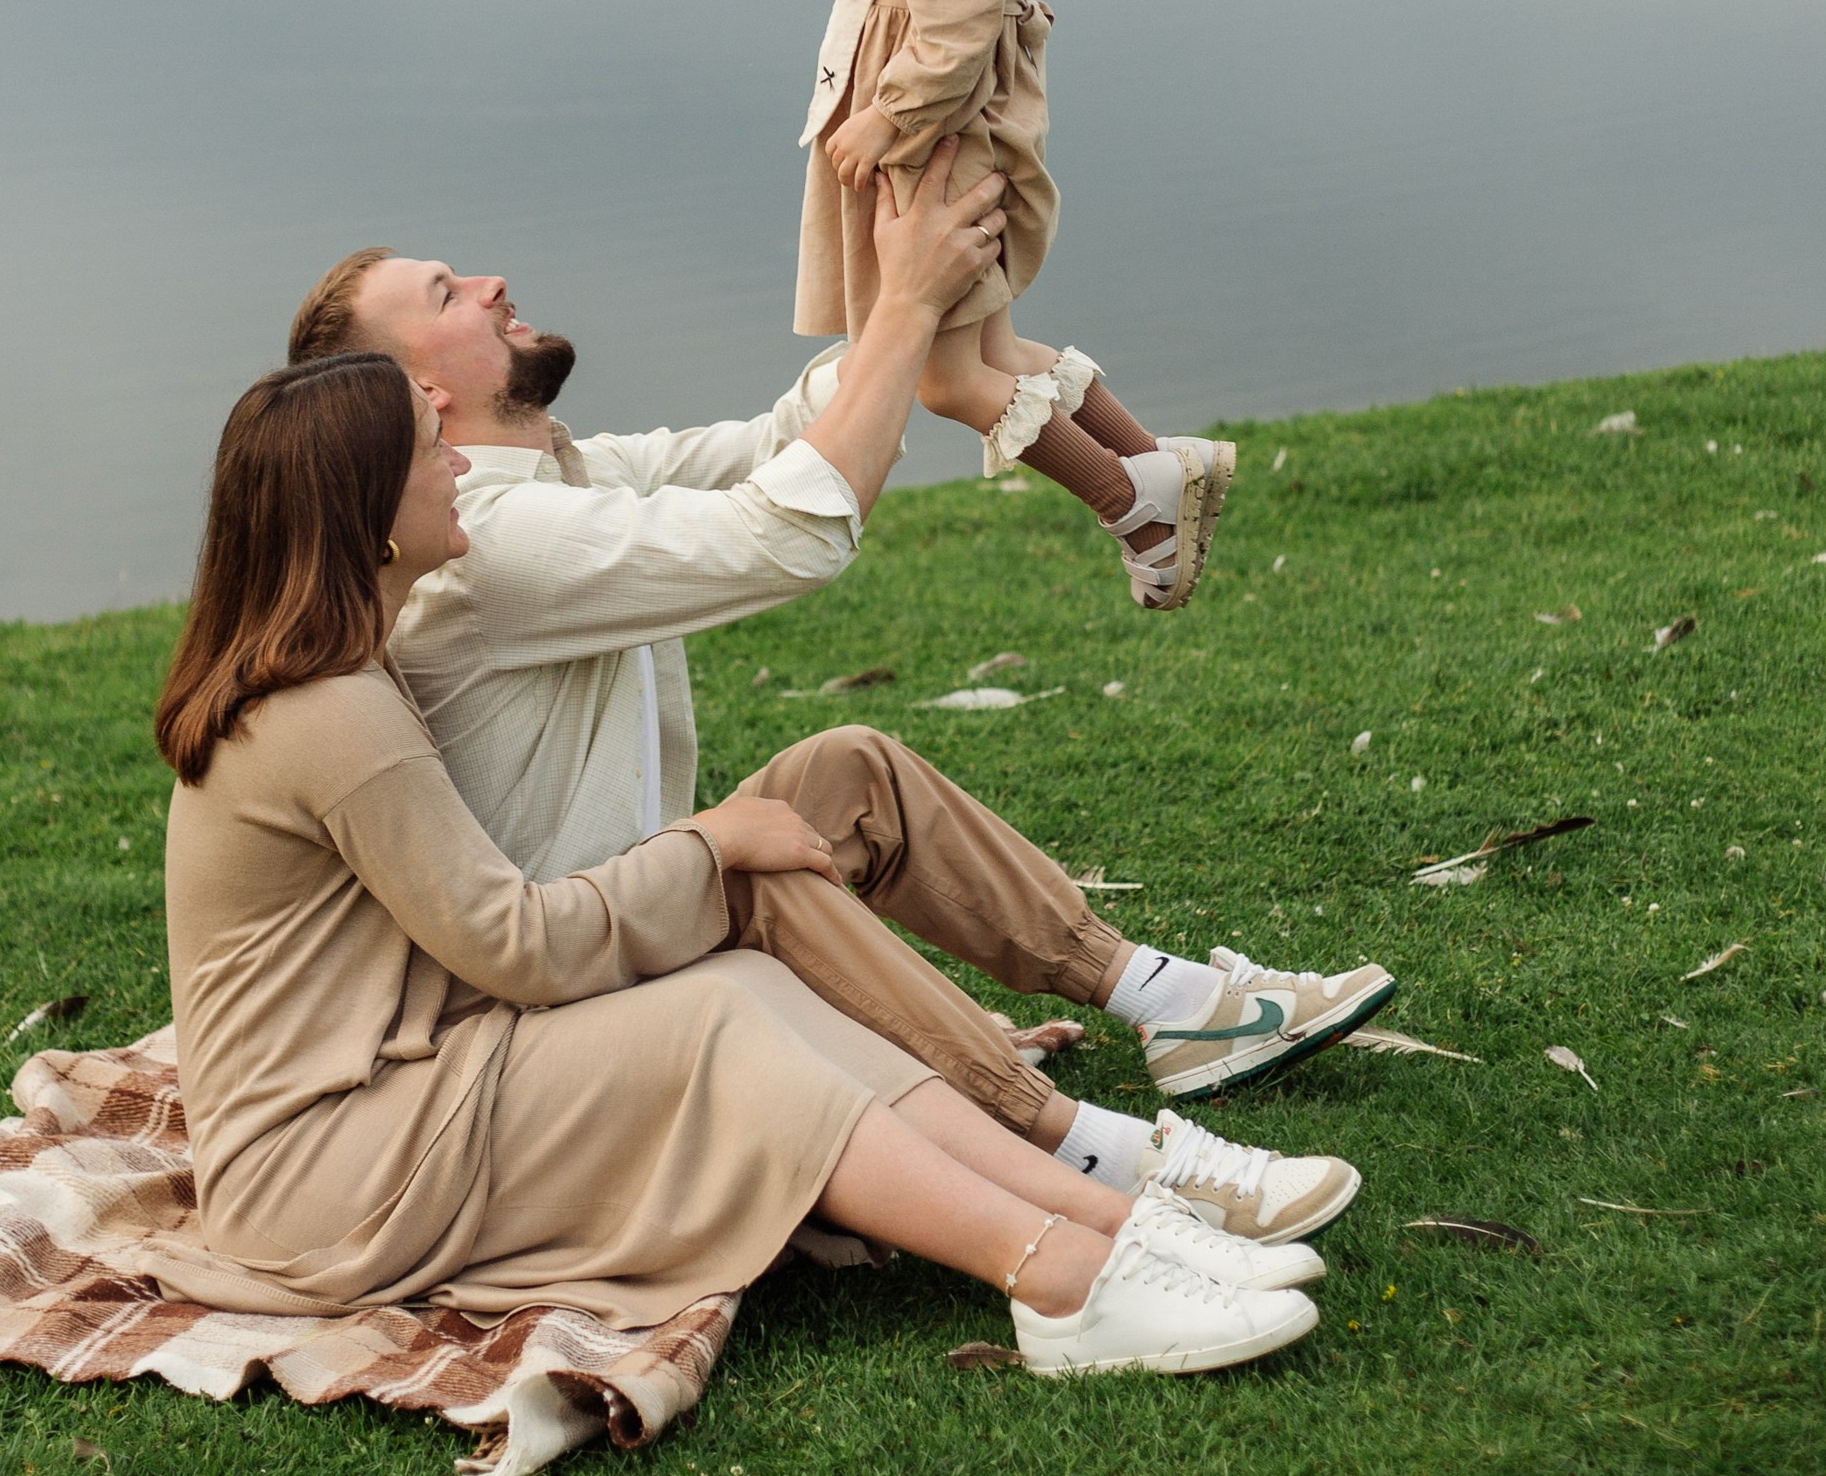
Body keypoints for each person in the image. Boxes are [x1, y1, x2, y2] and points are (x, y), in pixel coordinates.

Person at [151, 350, 1329, 1378]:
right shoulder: (327, 709)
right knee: (713, 1024)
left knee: (749, 987)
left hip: (400, 1086)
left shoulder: (344, 673)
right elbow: (514, 941)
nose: (459, 463)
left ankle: (1104, 1211)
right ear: (365, 508)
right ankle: (1061, 1275)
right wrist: (709, 842)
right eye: (427, 450)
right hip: (322, 1168)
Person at [284, 156, 1395, 1223]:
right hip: (559, 982)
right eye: (449, 292)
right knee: (758, 871)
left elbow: (781, 443)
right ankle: (1077, 1150)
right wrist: (908, 311)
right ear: (421, 386)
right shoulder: (493, 537)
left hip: (621, 914)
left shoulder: (555, 473)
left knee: (844, 772)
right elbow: (786, 534)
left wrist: (904, 289)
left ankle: (1170, 1002)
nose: (491, 285)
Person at [800, 0, 1228, 611]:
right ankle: (1157, 458)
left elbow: (948, 40)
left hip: (933, 153)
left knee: (950, 382)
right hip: (958, 140)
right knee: (995, 357)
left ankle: (1137, 508)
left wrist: (886, 116)